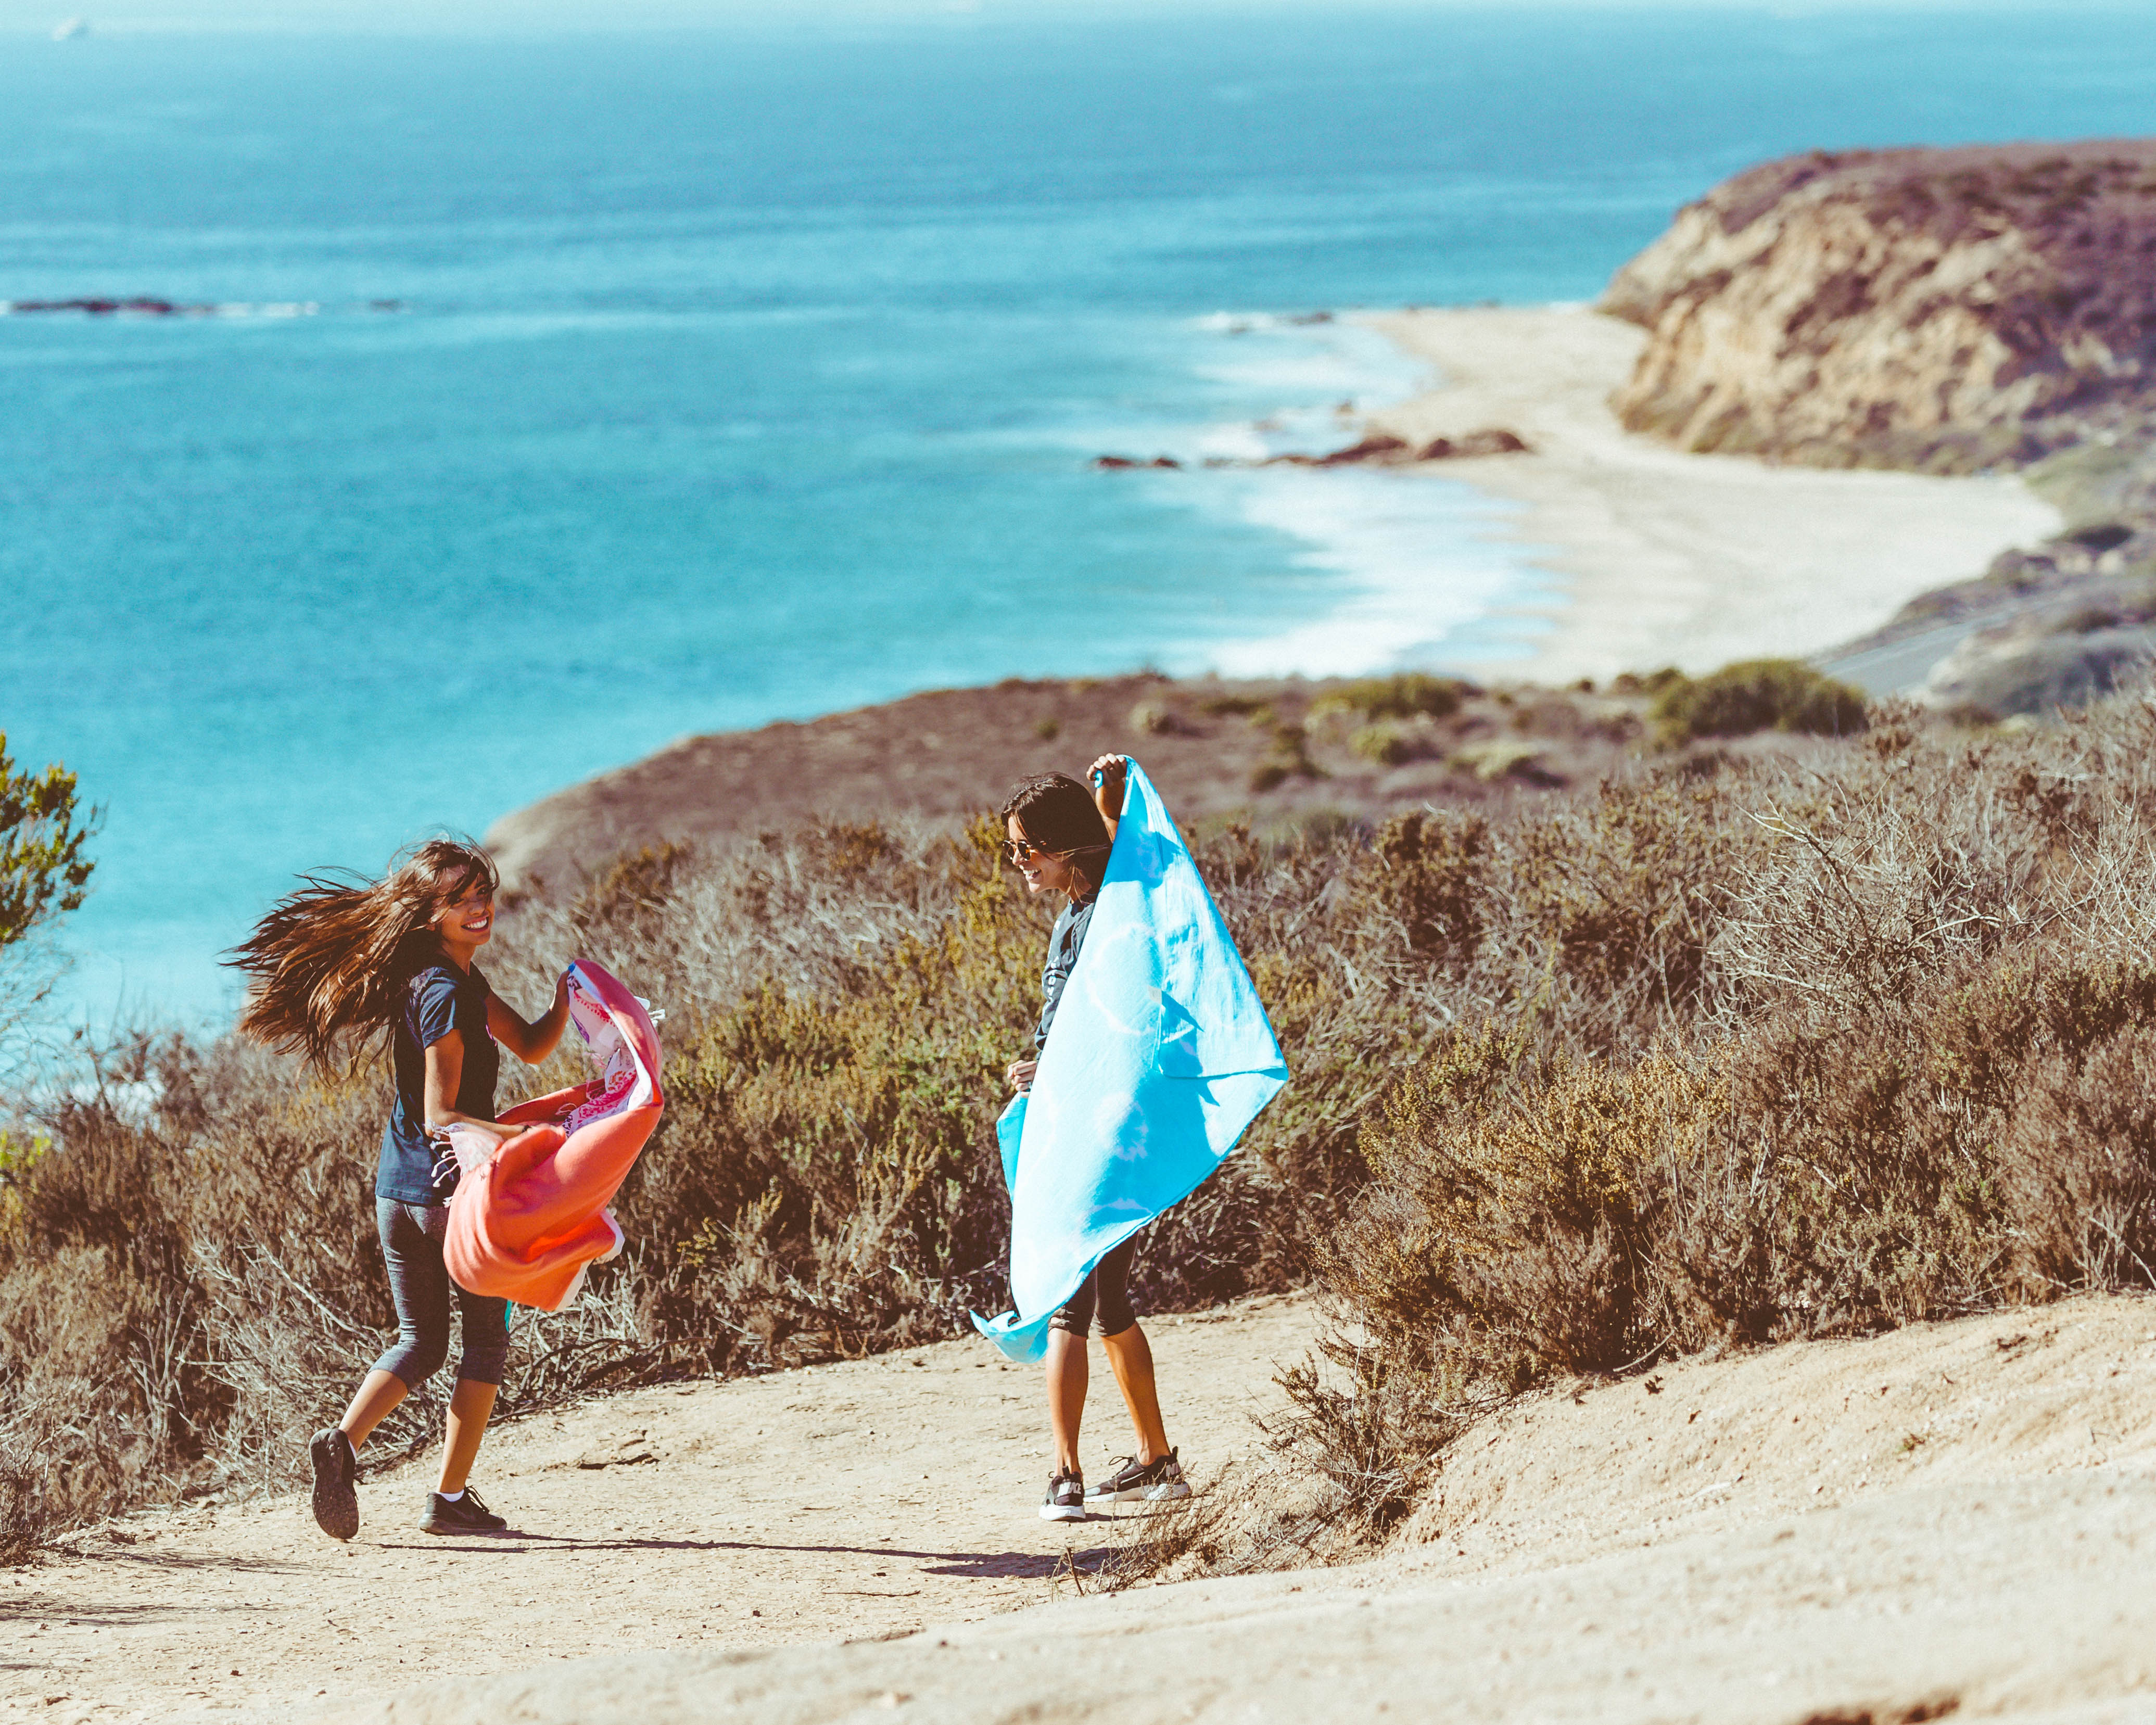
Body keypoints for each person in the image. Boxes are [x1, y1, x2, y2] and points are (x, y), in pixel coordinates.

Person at [226, 837, 570, 1541]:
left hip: (397, 1193)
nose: (480, 908)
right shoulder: (447, 992)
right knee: (483, 1344)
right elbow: (444, 1116)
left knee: (421, 1341)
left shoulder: (440, 977)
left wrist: (570, 994)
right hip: (453, 1199)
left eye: (483, 893)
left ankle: (342, 1444)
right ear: (429, 914)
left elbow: (533, 1043)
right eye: (461, 899)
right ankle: (448, 1499)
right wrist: (534, 1143)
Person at [1000, 755, 1193, 1523]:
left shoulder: (1111, 905)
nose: (1017, 865)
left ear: (1062, 846)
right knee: (1109, 1300)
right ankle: (1157, 1462)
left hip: (1098, 1125)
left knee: (1065, 1304)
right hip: (1076, 1113)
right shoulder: (1074, 915)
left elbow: (1134, 869)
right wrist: (1037, 1071)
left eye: (1024, 849)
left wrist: (1112, 802)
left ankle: (1065, 1476)